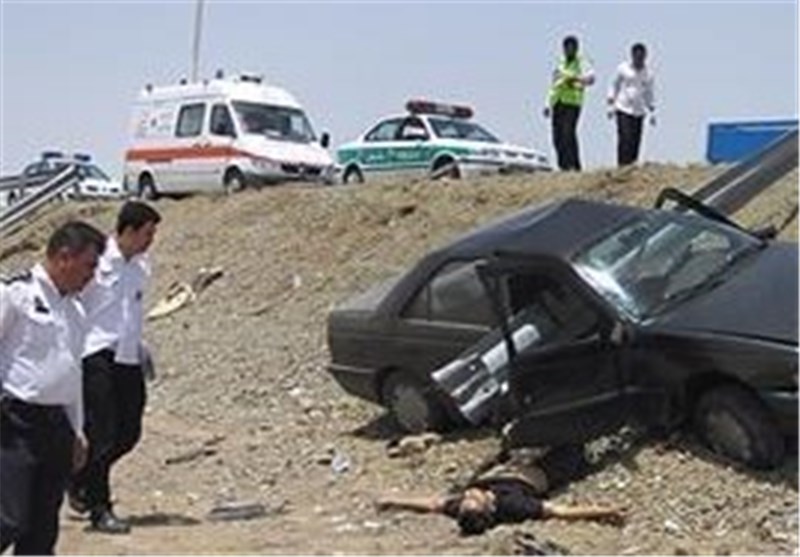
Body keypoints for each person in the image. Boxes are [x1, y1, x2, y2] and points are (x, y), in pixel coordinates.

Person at [0, 221, 106, 555]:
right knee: (9, 517)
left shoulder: (74, 309)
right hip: (14, 422)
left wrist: (77, 430)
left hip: (56, 425)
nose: (92, 276)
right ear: (64, 257)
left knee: (42, 527)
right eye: (89, 266)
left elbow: (71, 373)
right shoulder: (15, 294)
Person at [68, 201, 161, 534]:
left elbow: (131, 311)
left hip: (127, 355)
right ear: (129, 231)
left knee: (129, 433)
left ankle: (79, 476)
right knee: (103, 433)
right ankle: (100, 508)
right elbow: (72, 303)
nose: (151, 241)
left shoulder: (141, 267)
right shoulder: (95, 261)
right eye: (147, 234)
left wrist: (141, 347)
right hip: (95, 353)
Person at [376, 445, 624, 536]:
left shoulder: (462, 508)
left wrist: (394, 501)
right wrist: (604, 511)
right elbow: (560, 511)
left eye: (467, 498)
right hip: (545, 468)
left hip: (505, 463)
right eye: (473, 498)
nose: (468, 495)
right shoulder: (512, 506)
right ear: (489, 508)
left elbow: (433, 504)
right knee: (576, 447)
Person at [544, 35, 595, 171]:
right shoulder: (560, 63)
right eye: (566, 48)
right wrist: (547, 103)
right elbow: (554, 84)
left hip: (573, 102)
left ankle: (574, 165)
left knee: (568, 133)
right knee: (557, 136)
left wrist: (575, 79)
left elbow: (591, 78)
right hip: (558, 101)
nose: (569, 50)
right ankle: (563, 166)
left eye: (572, 48)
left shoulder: (582, 62)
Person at [607, 43, 656, 166]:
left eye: (642, 57)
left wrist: (652, 110)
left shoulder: (648, 74)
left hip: (639, 111)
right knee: (625, 138)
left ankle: (632, 166)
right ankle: (622, 165)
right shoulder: (623, 69)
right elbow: (614, 85)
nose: (639, 59)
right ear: (632, 55)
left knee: (635, 140)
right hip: (623, 108)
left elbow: (649, 93)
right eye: (637, 56)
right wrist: (610, 102)